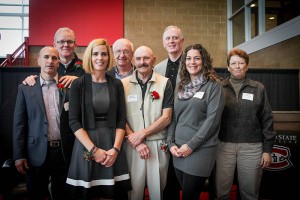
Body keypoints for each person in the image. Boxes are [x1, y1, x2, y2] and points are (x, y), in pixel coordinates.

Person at [66, 38, 131, 199]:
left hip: (112, 145)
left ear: (109, 57)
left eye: (104, 54)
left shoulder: (116, 84)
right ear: (89, 56)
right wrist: (93, 150)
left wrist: (115, 150)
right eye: (95, 54)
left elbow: (121, 119)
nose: (100, 58)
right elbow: (74, 121)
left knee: (113, 195)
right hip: (86, 145)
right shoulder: (78, 85)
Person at [215, 48, 276, 200]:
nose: (237, 66)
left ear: (246, 66)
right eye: (233, 63)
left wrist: (267, 150)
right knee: (221, 193)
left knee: (249, 194)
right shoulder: (218, 88)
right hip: (223, 146)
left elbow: (267, 119)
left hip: (252, 148)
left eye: (241, 63)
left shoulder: (258, 88)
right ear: (228, 66)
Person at [167, 44, 225, 200]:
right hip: (178, 150)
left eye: (197, 58)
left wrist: (191, 146)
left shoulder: (214, 86)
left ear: (204, 61)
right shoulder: (181, 86)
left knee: (189, 196)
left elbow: (212, 121)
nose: (192, 62)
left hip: (200, 150)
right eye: (188, 58)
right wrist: (171, 143)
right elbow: (174, 117)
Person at [13, 46, 70, 199]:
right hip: (35, 152)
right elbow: (19, 124)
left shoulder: (69, 87)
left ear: (59, 62)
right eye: (46, 57)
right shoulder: (26, 88)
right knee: (36, 195)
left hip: (64, 153)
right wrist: (18, 155)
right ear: (38, 60)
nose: (50, 61)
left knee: (63, 195)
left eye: (54, 58)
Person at [122, 46, 174, 200]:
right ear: (133, 61)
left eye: (146, 58)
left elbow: (167, 117)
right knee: (133, 192)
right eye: (138, 59)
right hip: (132, 145)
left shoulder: (165, 83)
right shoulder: (123, 84)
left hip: (157, 144)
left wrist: (142, 135)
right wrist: (136, 141)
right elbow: (120, 117)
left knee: (157, 191)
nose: (142, 62)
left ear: (154, 60)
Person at [154, 25, 184, 200]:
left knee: (181, 170)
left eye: (175, 38)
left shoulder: (190, 64)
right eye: (168, 38)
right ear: (164, 43)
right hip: (163, 124)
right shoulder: (157, 68)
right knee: (165, 170)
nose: (171, 41)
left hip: (183, 124)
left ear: (182, 41)